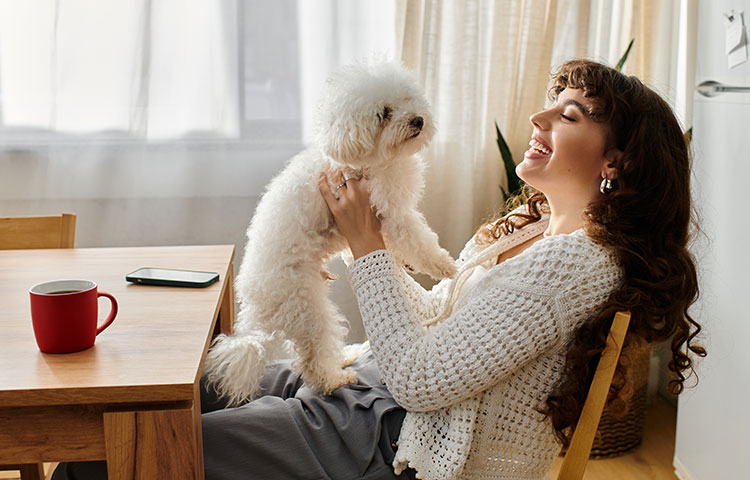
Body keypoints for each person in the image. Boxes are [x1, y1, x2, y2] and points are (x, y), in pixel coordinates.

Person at [52, 59, 705, 480]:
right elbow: (433, 323)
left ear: (615, 161)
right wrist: (353, 250)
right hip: (370, 389)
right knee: (157, 399)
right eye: (552, 101)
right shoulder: (532, 229)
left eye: (569, 114)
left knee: (107, 455)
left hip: (392, 438)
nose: (537, 118)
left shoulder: (575, 265)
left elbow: (422, 382)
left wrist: (369, 245)